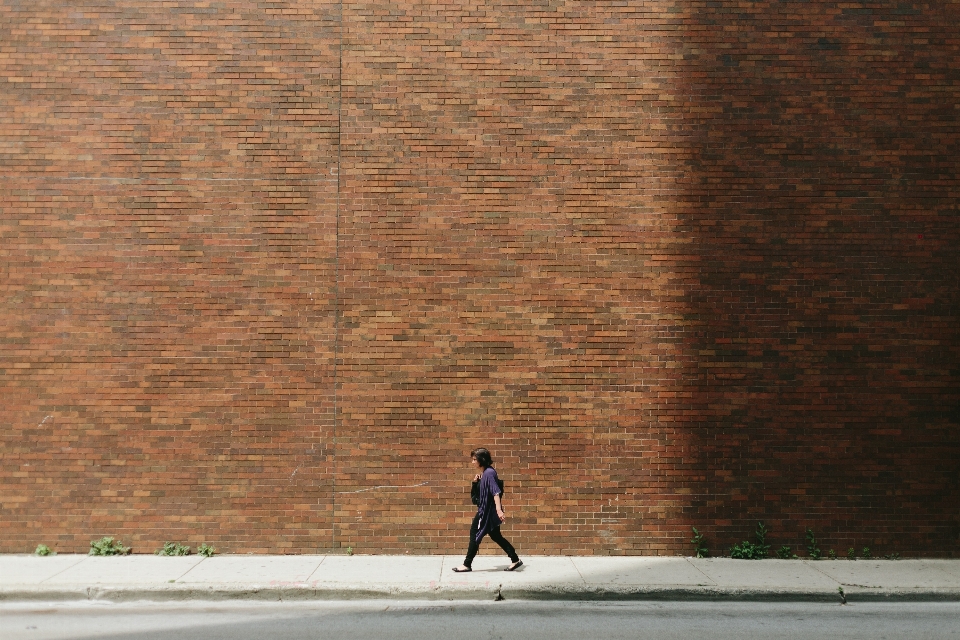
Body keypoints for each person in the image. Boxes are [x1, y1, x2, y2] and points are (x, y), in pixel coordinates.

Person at [452, 447, 522, 572]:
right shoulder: (486, 473)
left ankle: (467, 564)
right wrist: (476, 482)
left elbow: (495, 492)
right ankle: (515, 559)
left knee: (475, 535)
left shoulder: (489, 473)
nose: (472, 462)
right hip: (488, 511)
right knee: (496, 536)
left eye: (475, 459)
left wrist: (499, 511)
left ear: (481, 460)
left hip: (487, 512)